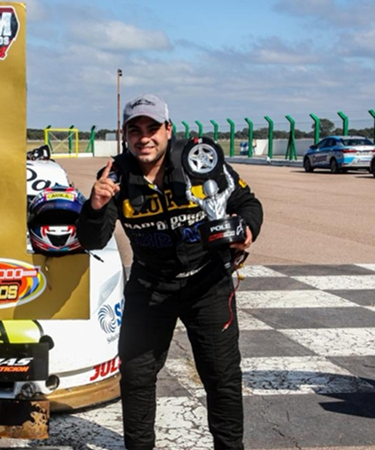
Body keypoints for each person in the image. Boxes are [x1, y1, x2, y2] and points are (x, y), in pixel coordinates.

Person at [76, 94, 263, 450]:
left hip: (207, 282)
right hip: (150, 285)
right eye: (135, 131)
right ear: (125, 134)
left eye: (152, 129)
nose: (144, 138)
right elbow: (92, 240)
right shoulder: (114, 175)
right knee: (136, 375)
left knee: (221, 377)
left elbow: (246, 203)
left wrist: (247, 228)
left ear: (168, 129)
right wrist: (95, 206)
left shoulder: (200, 159)